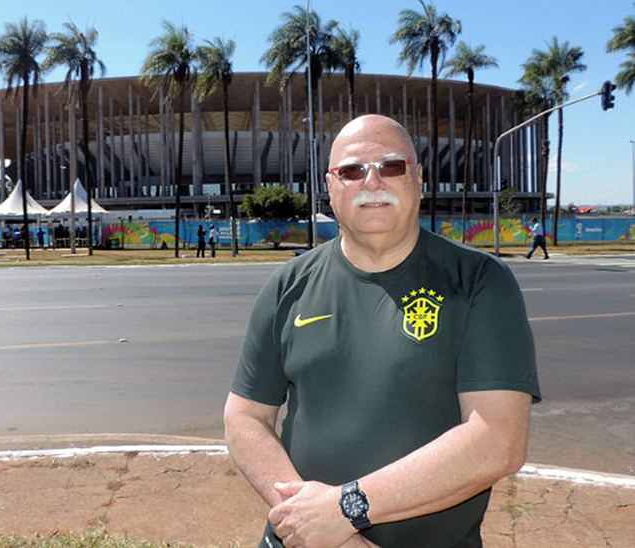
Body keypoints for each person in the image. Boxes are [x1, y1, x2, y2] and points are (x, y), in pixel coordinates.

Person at [224, 114, 540, 548]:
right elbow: (245, 417)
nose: (372, 182)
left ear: (418, 178)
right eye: (352, 171)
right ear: (331, 189)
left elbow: (498, 439)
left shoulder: (479, 281)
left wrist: (345, 511)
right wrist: (310, 524)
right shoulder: (287, 286)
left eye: (391, 166)